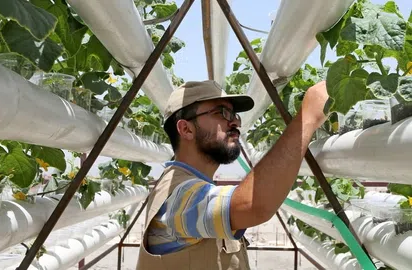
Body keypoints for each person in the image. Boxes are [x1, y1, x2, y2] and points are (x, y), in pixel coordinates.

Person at [136, 80, 329, 270]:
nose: (235, 121)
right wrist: (308, 117)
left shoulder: (192, 188)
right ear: (186, 129)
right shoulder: (177, 195)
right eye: (221, 112)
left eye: (234, 114)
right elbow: (254, 204)